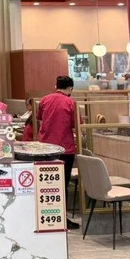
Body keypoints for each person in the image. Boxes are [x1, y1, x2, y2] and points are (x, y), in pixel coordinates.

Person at [37, 77, 80, 230]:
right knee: (62, 185)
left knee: (45, 185)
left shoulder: (44, 100)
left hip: (45, 149)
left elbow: (40, 118)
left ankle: (44, 216)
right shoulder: (70, 103)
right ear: (70, 88)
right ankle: (62, 218)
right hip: (65, 149)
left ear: (56, 86)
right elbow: (77, 125)